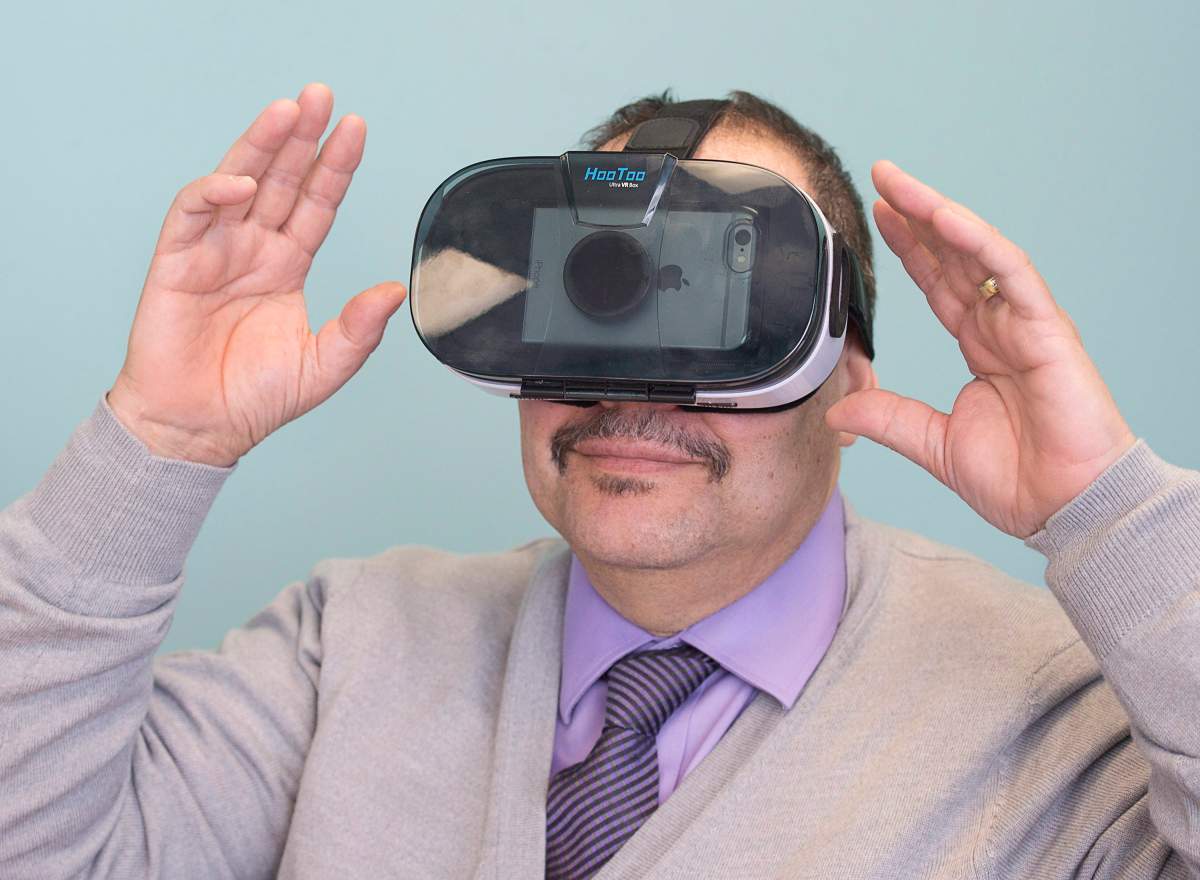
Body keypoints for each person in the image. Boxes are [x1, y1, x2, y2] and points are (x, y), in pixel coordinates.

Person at [0, 82, 1196, 880]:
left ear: (844, 377)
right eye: (597, 293)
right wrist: (157, 439)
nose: (636, 390)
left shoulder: (1049, 723)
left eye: (721, 314)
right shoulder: (348, 640)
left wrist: (1112, 509)